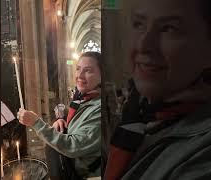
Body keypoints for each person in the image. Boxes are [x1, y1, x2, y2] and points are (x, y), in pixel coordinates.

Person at [105, 0, 211, 179]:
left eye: (169, 28)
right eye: (139, 24)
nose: (144, 45)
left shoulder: (203, 154)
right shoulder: (138, 112)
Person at [18, 51, 102, 179]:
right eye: (78, 69)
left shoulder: (100, 109)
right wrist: (63, 122)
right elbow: (80, 123)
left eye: (88, 70)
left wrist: (36, 123)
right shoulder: (84, 98)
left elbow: (73, 146)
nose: (80, 75)